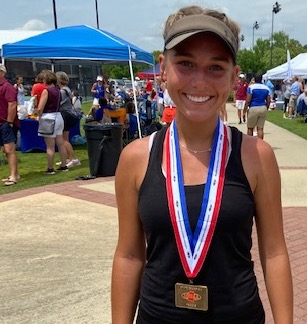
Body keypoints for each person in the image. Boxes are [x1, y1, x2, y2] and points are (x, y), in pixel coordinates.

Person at [111, 5, 293, 324]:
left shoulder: (256, 156)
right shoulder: (135, 158)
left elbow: (275, 251)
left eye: (216, 67)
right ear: (163, 70)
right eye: (185, 63)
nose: (199, 81)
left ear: (235, 77)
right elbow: (128, 255)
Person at [35, 70, 68, 174]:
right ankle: (64, 165)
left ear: (45, 80)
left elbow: (40, 108)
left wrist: (36, 110)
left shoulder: (46, 91)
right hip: (58, 116)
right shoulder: (58, 90)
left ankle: (50, 168)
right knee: (61, 143)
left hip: (48, 117)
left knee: (50, 146)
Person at [56, 71, 81, 168]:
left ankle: (73, 158)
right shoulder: (67, 89)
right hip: (70, 115)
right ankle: (66, 158)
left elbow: (59, 103)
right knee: (64, 138)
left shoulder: (62, 91)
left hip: (66, 115)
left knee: (63, 139)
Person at [0, 64, 19, 186]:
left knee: (9, 149)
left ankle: (14, 176)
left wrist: (9, 122)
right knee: (5, 150)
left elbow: (12, 104)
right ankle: (14, 174)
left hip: (6, 122)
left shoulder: (7, 87)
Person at [244, 73, 271, 139]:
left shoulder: (251, 87)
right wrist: (266, 107)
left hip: (253, 107)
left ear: (254, 79)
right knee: (260, 128)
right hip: (263, 107)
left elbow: (248, 100)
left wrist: (244, 110)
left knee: (250, 128)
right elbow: (268, 100)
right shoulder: (266, 88)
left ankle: (250, 144)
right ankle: (260, 144)